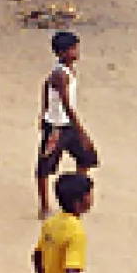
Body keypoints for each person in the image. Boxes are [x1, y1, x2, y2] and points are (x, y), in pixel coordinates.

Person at [37, 30, 97, 219]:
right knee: (45, 166)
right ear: (62, 53)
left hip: (65, 124)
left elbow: (45, 85)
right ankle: (45, 206)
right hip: (58, 126)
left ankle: (76, 194)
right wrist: (81, 131)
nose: (76, 52)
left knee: (86, 157)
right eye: (72, 49)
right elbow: (67, 106)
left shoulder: (64, 71)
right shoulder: (61, 75)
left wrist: (43, 109)